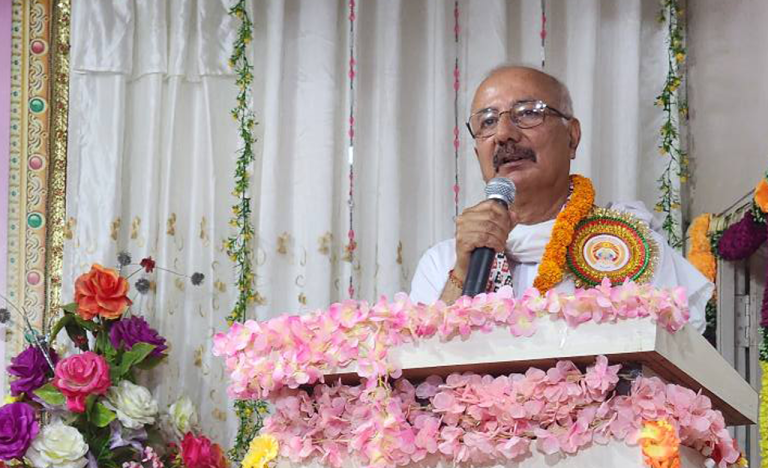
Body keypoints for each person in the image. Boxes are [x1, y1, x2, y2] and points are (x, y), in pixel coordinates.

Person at [409, 65, 710, 333]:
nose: (503, 133)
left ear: (572, 137)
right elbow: (422, 368)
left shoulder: (630, 248)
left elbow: (675, 361)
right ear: (478, 154)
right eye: (487, 121)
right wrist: (463, 271)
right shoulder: (443, 262)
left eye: (527, 112)